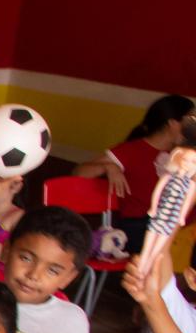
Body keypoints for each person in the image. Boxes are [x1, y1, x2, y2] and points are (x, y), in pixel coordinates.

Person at [74, 94, 195, 254]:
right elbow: (78, 173)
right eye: (190, 122)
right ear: (172, 124)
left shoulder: (180, 155)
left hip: (173, 225)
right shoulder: (133, 150)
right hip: (140, 226)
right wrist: (108, 168)